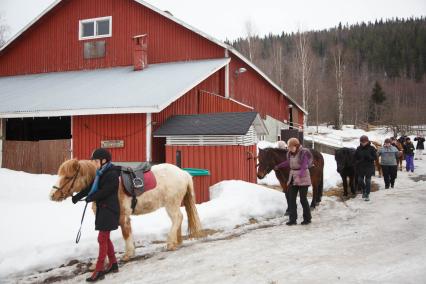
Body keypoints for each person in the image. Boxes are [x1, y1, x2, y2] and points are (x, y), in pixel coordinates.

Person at [72, 148, 121, 282]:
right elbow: (90, 187)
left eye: (95, 161)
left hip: (109, 210)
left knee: (102, 239)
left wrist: (92, 197)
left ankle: (99, 270)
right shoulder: (100, 173)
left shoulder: (111, 174)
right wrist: (78, 196)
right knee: (106, 238)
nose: (93, 163)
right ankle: (114, 264)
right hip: (103, 209)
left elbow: (106, 191)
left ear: (103, 161)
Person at [284, 138, 313, 226]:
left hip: (303, 178)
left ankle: (307, 218)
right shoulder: (290, 154)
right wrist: (278, 166)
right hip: (293, 177)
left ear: (296, 146)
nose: (289, 149)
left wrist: (299, 176)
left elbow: (304, 167)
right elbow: (287, 163)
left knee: (303, 199)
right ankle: (292, 219)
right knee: (291, 199)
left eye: (291, 147)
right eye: (289, 147)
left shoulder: (303, 153)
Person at [354, 135, 377, 201]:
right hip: (360, 167)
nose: (363, 143)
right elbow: (355, 157)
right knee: (360, 180)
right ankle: (364, 190)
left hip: (369, 166)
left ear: (367, 141)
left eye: (365, 142)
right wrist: (358, 161)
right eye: (362, 142)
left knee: (368, 180)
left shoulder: (372, 148)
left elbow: (375, 157)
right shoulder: (358, 148)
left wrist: (370, 157)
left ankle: (367, 194)